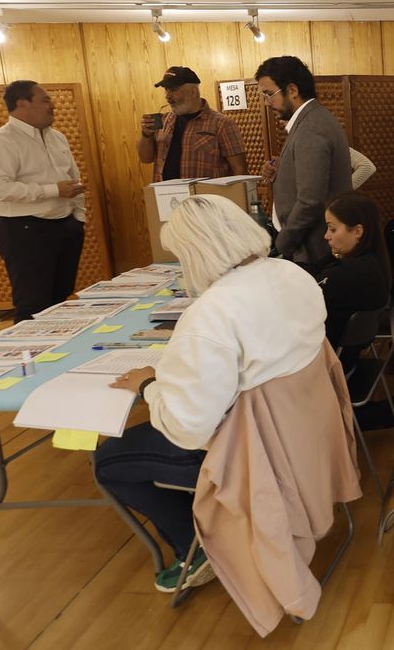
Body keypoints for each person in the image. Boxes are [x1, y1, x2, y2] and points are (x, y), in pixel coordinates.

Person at [94, 194, 331, 593]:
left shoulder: (211, 313)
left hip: (252, 456)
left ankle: (196, 545)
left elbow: (187, 429)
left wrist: (151, 386)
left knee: (108, 460)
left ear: (196, 253)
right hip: (305, 435)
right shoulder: (292, 274)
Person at [0, 80, 87, 322]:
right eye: (45, 100)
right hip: (25, 231)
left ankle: (60, 356)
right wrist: (52, 191)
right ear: (22, 103)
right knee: (33, 304)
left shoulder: (57, 137)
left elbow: (73, 179)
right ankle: (30, 358)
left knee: (60, 300)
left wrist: (78, 219)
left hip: (66, 226)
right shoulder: (0, 142)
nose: (53, 105)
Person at [256, 56, 352, 275]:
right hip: (311, 245)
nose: (266, 102)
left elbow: (310, 200)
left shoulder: (310, 126)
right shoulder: (313, 119)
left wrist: (283, 243)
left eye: (269, 94)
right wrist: (284, 168)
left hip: (312, 250)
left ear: (292, 90)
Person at [137, 66, 247, 182]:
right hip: (165, 197)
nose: (168, 97)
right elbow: (145, 159)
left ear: (193, 92)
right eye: (166, 90)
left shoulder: (222, 123)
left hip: (205, 199)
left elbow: (239, 169)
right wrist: (146, 135)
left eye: (173, 90)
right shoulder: (164, 121)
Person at [318, 191, 391, 354]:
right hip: (347, 361)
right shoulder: (373, 260)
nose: (326, 236)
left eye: (332, 229)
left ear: (357, 231)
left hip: (331, 366)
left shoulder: (351, 274)